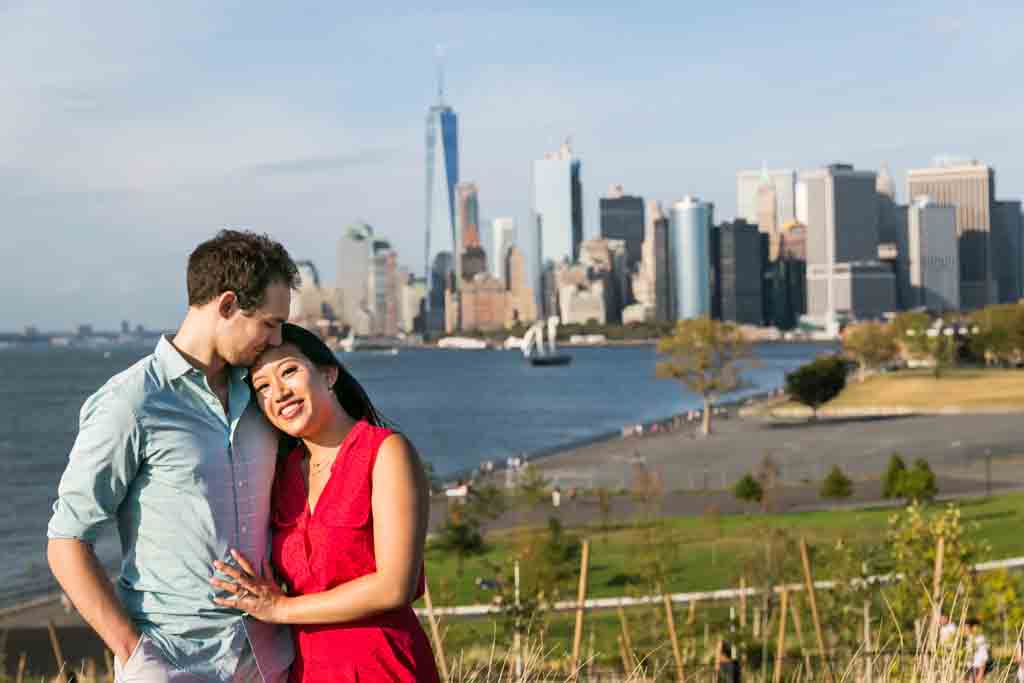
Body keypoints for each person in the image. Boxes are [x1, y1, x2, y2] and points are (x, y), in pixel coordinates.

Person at [47, 230, 299, 682]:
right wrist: (135, 655)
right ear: (226, 305)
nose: (278, 338)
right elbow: (67, 541)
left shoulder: (265, 394)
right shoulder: (131, 403)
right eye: (268, 323)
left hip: (269, 659)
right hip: (176, 665)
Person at [208, 323, 440, 683]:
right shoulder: (280, 475)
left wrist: (280, 609)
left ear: (329, 374)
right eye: (262, 387)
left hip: (383, 667)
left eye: (289, 371)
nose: (279, 393)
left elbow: (395, 586)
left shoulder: (385, 452)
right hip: (306, 671)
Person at [966, 618, 990, 683]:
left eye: (966, 627)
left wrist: (980, 674)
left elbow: (984, 658)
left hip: (978, 669)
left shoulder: (981, 639)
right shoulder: (969, 639)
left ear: (973, 627)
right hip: (970, 668)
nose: (965, 629)